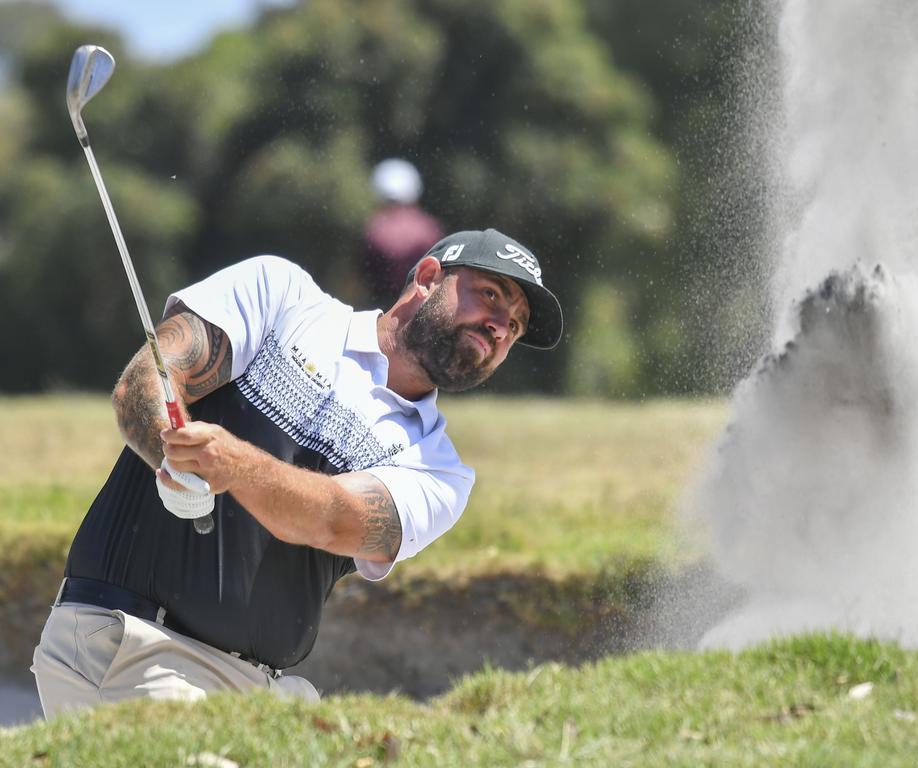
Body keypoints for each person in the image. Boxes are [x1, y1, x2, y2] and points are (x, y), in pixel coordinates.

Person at [31, 228, 562, 719]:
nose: (499, 327)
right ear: (426, 278)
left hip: (257, 692)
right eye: (490, 295)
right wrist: (167, 458)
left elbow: (334, 521)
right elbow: (149, 378)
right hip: (136, 646)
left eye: (514, 326)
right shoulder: (282, 296)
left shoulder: (440, 469)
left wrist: (232, 465)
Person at [363, 158, 444, 307]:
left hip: (382, 308)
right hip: (422, 308)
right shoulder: (429, 228)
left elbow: (365, 274)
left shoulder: (376, 228)